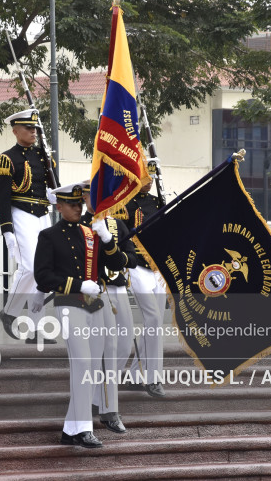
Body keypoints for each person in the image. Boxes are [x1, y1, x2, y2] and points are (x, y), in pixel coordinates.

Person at [34, 182, 133, 449]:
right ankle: (83, 429)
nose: (78, 208)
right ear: (59, 207)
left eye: (80, 203)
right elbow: (42, 277)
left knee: (95, 366)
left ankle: (70, 429)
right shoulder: (49, 236)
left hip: (96, 302)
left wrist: (108, 240)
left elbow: (117, 264)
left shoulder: (90, 233)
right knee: (83, 363)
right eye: (72, 204)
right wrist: (77, 285)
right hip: (69, 302)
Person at [80, 182, 138, 434]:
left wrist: (115, 252)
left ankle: (99, 392)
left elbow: (132, 256)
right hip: (94, 292)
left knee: (124, 346)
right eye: (89, 196)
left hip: (117, 288)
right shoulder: (80, 224)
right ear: (83, 198)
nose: (95, 199)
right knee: (103, 349)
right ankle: (107, 405)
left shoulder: (116, 224)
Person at [0, 109, 54, 343]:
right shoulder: (8, 159)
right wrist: (7, 229)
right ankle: (9, 311)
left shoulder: (44, 156)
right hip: (21, 213)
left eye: (34, 128)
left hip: (43, 214)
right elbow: (3, 197)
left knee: (43, 273)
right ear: (15, 131)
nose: (33, 132)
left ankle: (36, 329)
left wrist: (54, 195)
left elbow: (51, 186)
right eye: (28, 128)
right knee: (29, 267)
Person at [125, 158, 167, 396]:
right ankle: (153, 378)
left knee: (154, 323)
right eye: (144, 178)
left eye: (151, 178)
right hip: (136, 267)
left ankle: (133, 374)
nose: (148, 182)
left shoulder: (158, 201)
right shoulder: (124, 205)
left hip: (156, 267)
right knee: (153, 321)